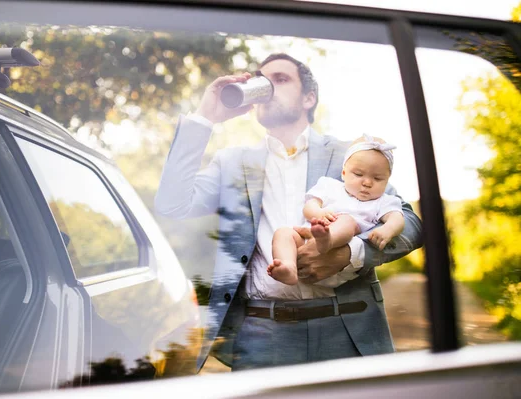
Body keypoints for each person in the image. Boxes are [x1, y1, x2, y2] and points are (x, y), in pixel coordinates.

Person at [155, 53, 423, 371]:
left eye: (280, 79)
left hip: (346, 330)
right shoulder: (232, 162)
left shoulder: (351, 156)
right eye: (261, 78)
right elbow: (172, 202)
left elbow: (410, 223)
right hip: (261, 336)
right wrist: (205, 116)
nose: (267, 85)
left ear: (309, 97)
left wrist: (351, 253)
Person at [267, 134, 405, 286]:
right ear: (344, 173)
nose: (367, 183)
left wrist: (387, 230)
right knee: (283, 233)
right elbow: (310, 206)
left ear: (387, 180)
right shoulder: (330, 186)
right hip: (307, 241)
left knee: (346, 220)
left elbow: (397, 218)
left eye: (378, 178)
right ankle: (289, 267)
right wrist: (318, 213)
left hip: (336, 256)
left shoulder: (383, 201)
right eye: (358, 174)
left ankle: (328, 239)